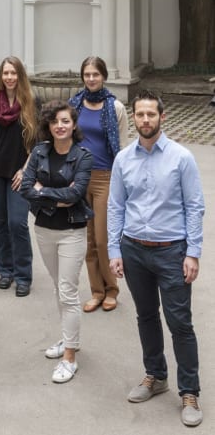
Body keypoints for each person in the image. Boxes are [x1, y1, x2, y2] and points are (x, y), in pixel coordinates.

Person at [108, 90, 204, 427]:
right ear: (133, 118)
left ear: (162, 117)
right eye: (140, 115)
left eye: (151, 114)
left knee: (180, 323)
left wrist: (193, 252)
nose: (145, 120)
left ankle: (189, 391)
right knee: (146, 316)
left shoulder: (181, 158)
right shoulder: (123, 159)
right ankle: (156, 375)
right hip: (134, 250)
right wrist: (114, 249)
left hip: (171, 251)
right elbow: (116, 206)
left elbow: (195, 206)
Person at [20, 101, 92, 384]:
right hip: (44, 229)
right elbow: (26, 188)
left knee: (67, 291)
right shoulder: (40, 151)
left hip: (72, 231)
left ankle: (70, 357)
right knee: (57, 288)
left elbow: (75, 195)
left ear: (73, 124)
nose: (59, 126)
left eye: (65, 121)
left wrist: (43, 191)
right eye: (54, 122)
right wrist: (54, 195)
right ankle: (68, 338)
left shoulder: (83, 156)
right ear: (48, 126)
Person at [68, 56, 127, 312]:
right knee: (88, 239)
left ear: (103, 76)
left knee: (103, 239)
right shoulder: (75, 104)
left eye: (95, 74)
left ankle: (112, 289)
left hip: (106, 178)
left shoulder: (116, 108)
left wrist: (121, 181)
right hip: (79, 177)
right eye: (87, 74)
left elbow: (122, 148)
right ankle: (96, 290)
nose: (91, 78)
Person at [0, 56, 38, 297]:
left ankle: (23, 275)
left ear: (20, 75)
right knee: (0, 223)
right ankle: (6, 270)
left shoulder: (31, 102)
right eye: (5, 73)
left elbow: (38, 143)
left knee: (18, 223)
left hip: (19, 172)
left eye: (13, 73)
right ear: (1, 76)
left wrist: (25, 170)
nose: (9, 77)